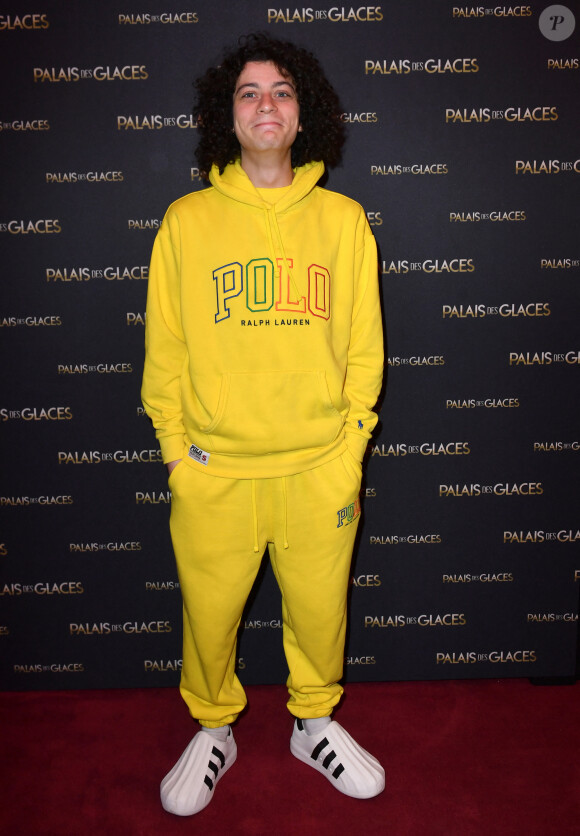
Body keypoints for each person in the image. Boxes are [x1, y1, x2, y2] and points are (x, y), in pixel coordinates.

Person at [141, 32, 385, 816]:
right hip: (217, 471)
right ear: (226, 113)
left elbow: (364, 350)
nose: (265, 104)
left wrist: (349, 449)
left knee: (320, 612)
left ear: (303, 112)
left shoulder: (344, 221)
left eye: (281, 90)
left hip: (319, 470)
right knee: (209, 619)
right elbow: (165, 352)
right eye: (248, 92)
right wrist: (178, 455)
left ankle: (312, 721)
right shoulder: (186, 221)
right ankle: (214, 729)